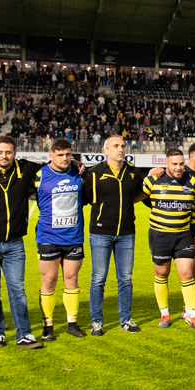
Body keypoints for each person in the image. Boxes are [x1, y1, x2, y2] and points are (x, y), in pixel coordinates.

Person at [0, 135, 44, 349]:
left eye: (8, 152)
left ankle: (24, 334)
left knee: (18, 290)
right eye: (0, 152)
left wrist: (77, 163)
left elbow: (53, 164)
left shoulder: (26, 169)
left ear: (15, 153)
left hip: (14, 243)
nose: (4, 156)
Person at [81, 135, 147, 335]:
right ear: (106, 150)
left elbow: (142, 193)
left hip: (127, 233)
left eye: (123, 146)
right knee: (98, 279)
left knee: (125, 279)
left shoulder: (133, 172)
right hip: (100, 233)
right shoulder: (94, 173)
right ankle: (96, 321)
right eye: (115, 146)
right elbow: (84, 199)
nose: (120, 149)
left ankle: (125, 319)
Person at [143, 145, 195, 330]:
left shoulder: (193, 183)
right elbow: (138, 194)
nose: (179, 167)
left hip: (183, 236)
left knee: (188, 274)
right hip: (160, 236)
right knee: (161, 274)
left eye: (181, 164)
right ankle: (164, 314)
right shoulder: (153, 181)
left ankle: (193, 316)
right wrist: (150, 173)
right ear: (166, 163)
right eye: (174, 164)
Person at [35, 139, 87, 341]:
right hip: (48, 237)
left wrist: (79, 165)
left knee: (71, 280)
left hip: (74, 237)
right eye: (59, 154)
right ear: (51, 155)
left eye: (68, 154)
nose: (64, 158)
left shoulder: (78, 173)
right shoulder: (40, 174)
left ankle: (72, 323)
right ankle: (47, 325)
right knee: (49, 280)